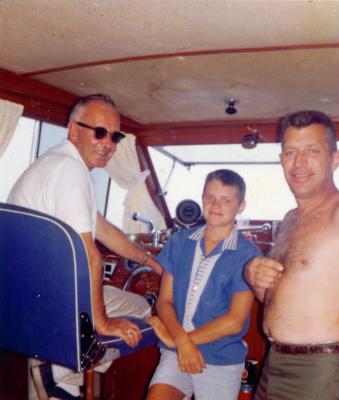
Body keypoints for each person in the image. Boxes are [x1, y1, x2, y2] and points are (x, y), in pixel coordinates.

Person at [7, 93, 163, 400]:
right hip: (52, 304)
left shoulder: (57, 163)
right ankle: (67, 373)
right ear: (74, 130)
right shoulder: (70, 171)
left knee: (129, 308)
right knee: (144, 309)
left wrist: (153, 262)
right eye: (99, 132)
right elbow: (90, 256)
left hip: (24, 300)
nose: (108, 143)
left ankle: (66, 374)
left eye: (115, 135)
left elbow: (105, 230)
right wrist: (102, 323)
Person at [244, 110, 339, 400]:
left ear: (335, 159)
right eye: (290, 152)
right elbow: (284, 299)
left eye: (311, 151)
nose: (299, 162)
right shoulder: (290, 219)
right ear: (281, 160)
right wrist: (254, 279)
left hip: (323, 374)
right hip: (273, 366)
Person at [145, 169, 262, 400]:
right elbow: (165, 301)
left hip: (220, 358)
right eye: (210, 198)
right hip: (175, 350)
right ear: (202, 199)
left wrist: (180, 341)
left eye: (225, 200)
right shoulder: (180, 242)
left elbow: (235, 321)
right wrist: (180, 342)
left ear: (240, 206)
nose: (215, 205)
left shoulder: (248, 255)